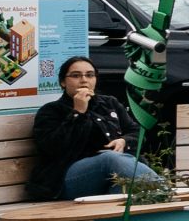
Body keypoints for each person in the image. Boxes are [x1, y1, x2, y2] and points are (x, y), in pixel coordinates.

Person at [30, 56, 144, 202]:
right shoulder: (51, 111)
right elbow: (53, 148)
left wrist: (123, 140)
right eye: (76, 76)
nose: (84, 80)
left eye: (90, 75)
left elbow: (136, 131)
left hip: (110, 177)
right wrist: (78, 112)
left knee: (123, 190)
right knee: (109, 158)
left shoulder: (109, 103)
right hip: (65, 179)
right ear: (63, 82)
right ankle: (162, 189)